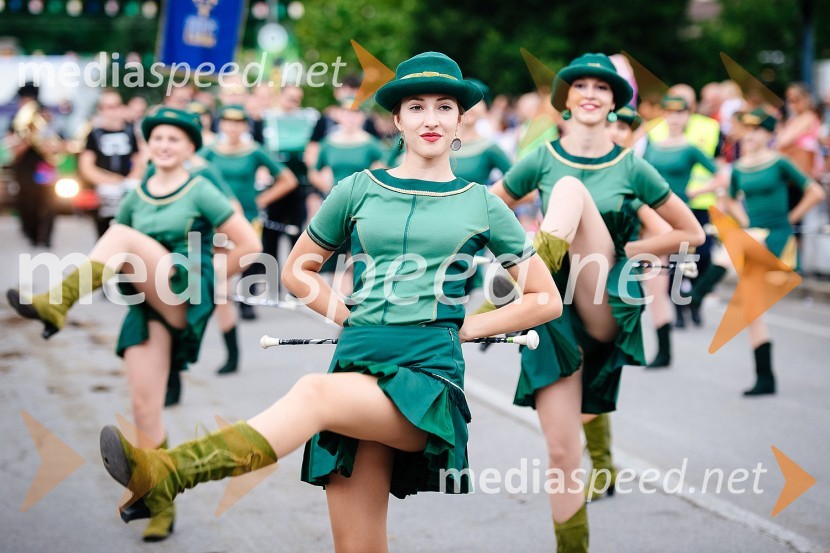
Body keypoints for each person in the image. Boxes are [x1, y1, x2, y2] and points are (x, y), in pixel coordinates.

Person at [98, 52, 560, 552]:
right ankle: (164, 473)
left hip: (426, 376)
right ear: (398, 119)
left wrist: (467, 328)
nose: (431, 119)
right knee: (357, 547)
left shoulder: (482, 202)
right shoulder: (357, 189)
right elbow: (298, 270)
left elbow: (544, 298)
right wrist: (347, 316)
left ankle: (170, 471)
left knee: (313, 395)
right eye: (417, 106)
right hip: (357, 362)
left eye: (444, 106)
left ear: (459, 119)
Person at [8, 107, 261, 541]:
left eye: (174, 139)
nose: (163, 145)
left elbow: (250, 244)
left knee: (122, 235)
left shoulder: (200, 189)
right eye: (157, 138)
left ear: (189, 148)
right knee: (144, 407)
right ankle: (160, 502)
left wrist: (210, 278)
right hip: (147, 303)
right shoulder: (136, 193)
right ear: (146, 145)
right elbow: (117, 253)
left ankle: (58, 303)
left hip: (183, 286)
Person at [489, 53, 704, 551]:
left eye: (601, 88)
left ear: (613, 102)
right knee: (563, 453)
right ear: (566, 99)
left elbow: (689, 230)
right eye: (580, 85)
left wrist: (632, 249)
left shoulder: (632, 164)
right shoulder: (540, 155)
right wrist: (512, 245)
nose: (590, 92)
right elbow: (492, 205)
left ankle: (510, 291)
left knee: (568, 190)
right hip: (552, 308)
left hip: (605, 293)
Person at [722, 108, 825, 395]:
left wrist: (790, 219)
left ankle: (697, 293)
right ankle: (765, 377)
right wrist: (744, 222)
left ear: (769, 134)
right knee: (752, 306)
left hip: (777, 236)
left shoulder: (779, 162)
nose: (750, 135)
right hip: (756, 236)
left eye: (757, 130)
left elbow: (815, 191)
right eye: (747, 130)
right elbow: (730, 200)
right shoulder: (740, 167)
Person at [199, 105, 297, 373]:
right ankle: (229, 351)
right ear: (221, 125)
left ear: (244, 126)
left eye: (238, 123)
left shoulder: (254, 151)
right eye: (227, 122)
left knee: (236, 273)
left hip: (245, 221)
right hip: (216, 222)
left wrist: (261, 199)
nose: (232, 127)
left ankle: (240, 316)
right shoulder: (208, 153)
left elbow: (287, 179)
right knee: (220, 286)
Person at [643, 96, 722, 364]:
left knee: (684, 264)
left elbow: (721, 174)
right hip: (654, 216)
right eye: (670, 112)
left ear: (688, 116)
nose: (675, 118)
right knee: (658, 274)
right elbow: (640, 176)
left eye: (680, 113)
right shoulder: (653, 147)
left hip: (680, 215)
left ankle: (691, 306)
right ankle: (669, 333)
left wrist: (696, 190)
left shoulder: (690, 148)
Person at [79, 89, 142, 236]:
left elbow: (139, 159)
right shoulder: (94, 134)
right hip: (104, 193)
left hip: (127, 189)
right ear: (100, 109)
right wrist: (108, 180)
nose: (111, 111)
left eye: (115, 106)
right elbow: (86, 165)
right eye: (106, 107)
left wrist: (129, 179)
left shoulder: (131, 131)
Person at [7, 82, 62, 247]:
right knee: (27, 201)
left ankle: (45, 237)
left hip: (43, 167)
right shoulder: (16, 120)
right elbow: (12, 148)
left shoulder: (44, 116)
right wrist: (27, 138)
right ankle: (32, 234)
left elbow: (56, 141)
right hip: (24, 168)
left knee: (47, 200)